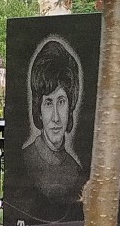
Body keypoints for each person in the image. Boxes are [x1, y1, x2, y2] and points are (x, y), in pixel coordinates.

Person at [18, 34, 89, 205]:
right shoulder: (23, 162)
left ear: (70, 105)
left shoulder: (76, 171)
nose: (56, 117)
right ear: (39, 110)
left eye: (61, 101)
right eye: (48, 103)